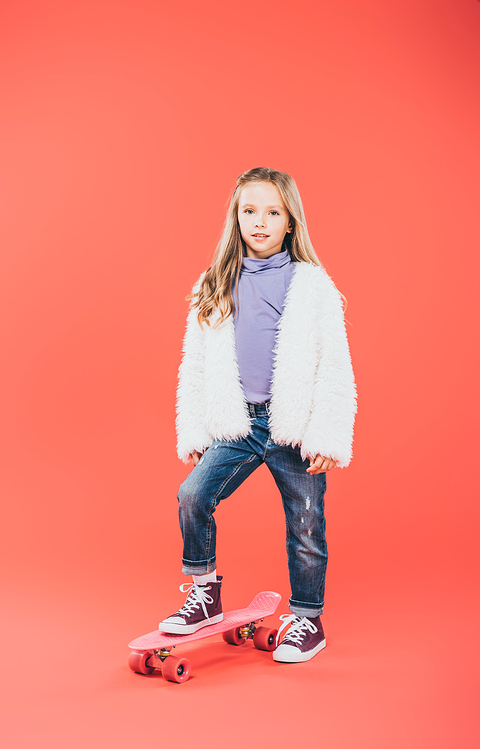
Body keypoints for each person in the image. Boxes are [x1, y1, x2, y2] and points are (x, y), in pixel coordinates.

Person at [158, 166, 357, 663]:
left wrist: (328, 436)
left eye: (272, 212)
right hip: (239, 424)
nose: (260, 222)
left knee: (306, 523)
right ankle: (203, 593)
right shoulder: (216, 282)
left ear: (290, 221)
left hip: (293, 427)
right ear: (236, 217)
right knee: (192, 495)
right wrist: (197, 428)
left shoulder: (313, 286)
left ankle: (308, 620)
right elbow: (196, 364)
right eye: (250, 211)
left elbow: (335, 365)